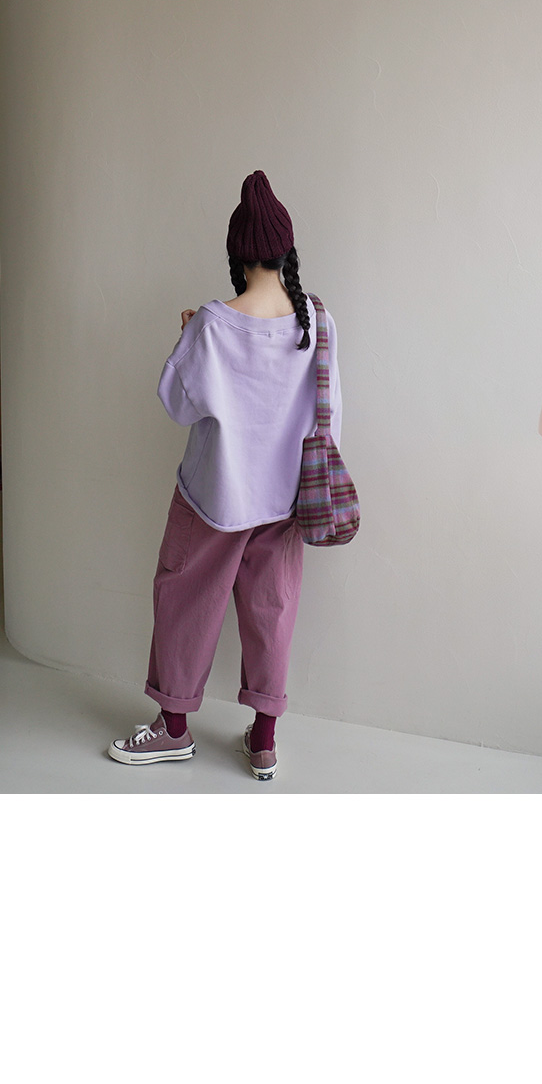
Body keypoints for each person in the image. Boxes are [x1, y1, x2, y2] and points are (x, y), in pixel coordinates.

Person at [107, 169, 339, 784]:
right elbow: (330, 413)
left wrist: (186, 337)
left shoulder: (212, 323)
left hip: (212, 497)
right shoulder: (316, 320)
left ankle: (174, 729)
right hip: (284, 500)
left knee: (184, 601)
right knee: (272, 610)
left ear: (237, 254)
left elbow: (177, 404)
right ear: (287, 249)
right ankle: (263, 740)